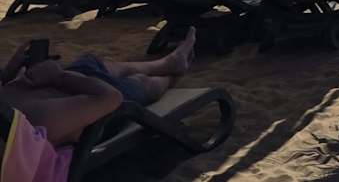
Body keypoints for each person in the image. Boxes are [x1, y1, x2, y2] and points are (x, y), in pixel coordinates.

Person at [0, 29, 197, 157]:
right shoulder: (36, 120)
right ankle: (172, 76)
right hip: (96, 110)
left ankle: (167, 63)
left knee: (91, 63)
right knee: (139, 83)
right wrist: (58, 77)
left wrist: (8, 74)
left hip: (65, 89)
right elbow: (111, 98)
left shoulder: (12, 110)